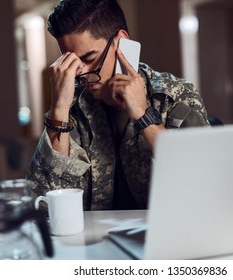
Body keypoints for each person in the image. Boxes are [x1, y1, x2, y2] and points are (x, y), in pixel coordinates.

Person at [26, 0, 210, 210]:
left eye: (89, 58)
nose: (80, 73)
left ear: (121, 41)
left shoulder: (173, 97)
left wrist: (144, 115)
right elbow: (43, 206)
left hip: (163, 237)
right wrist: (59, 108)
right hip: (91, 241)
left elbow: (205, 186)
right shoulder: (71, 108)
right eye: (72, 62)